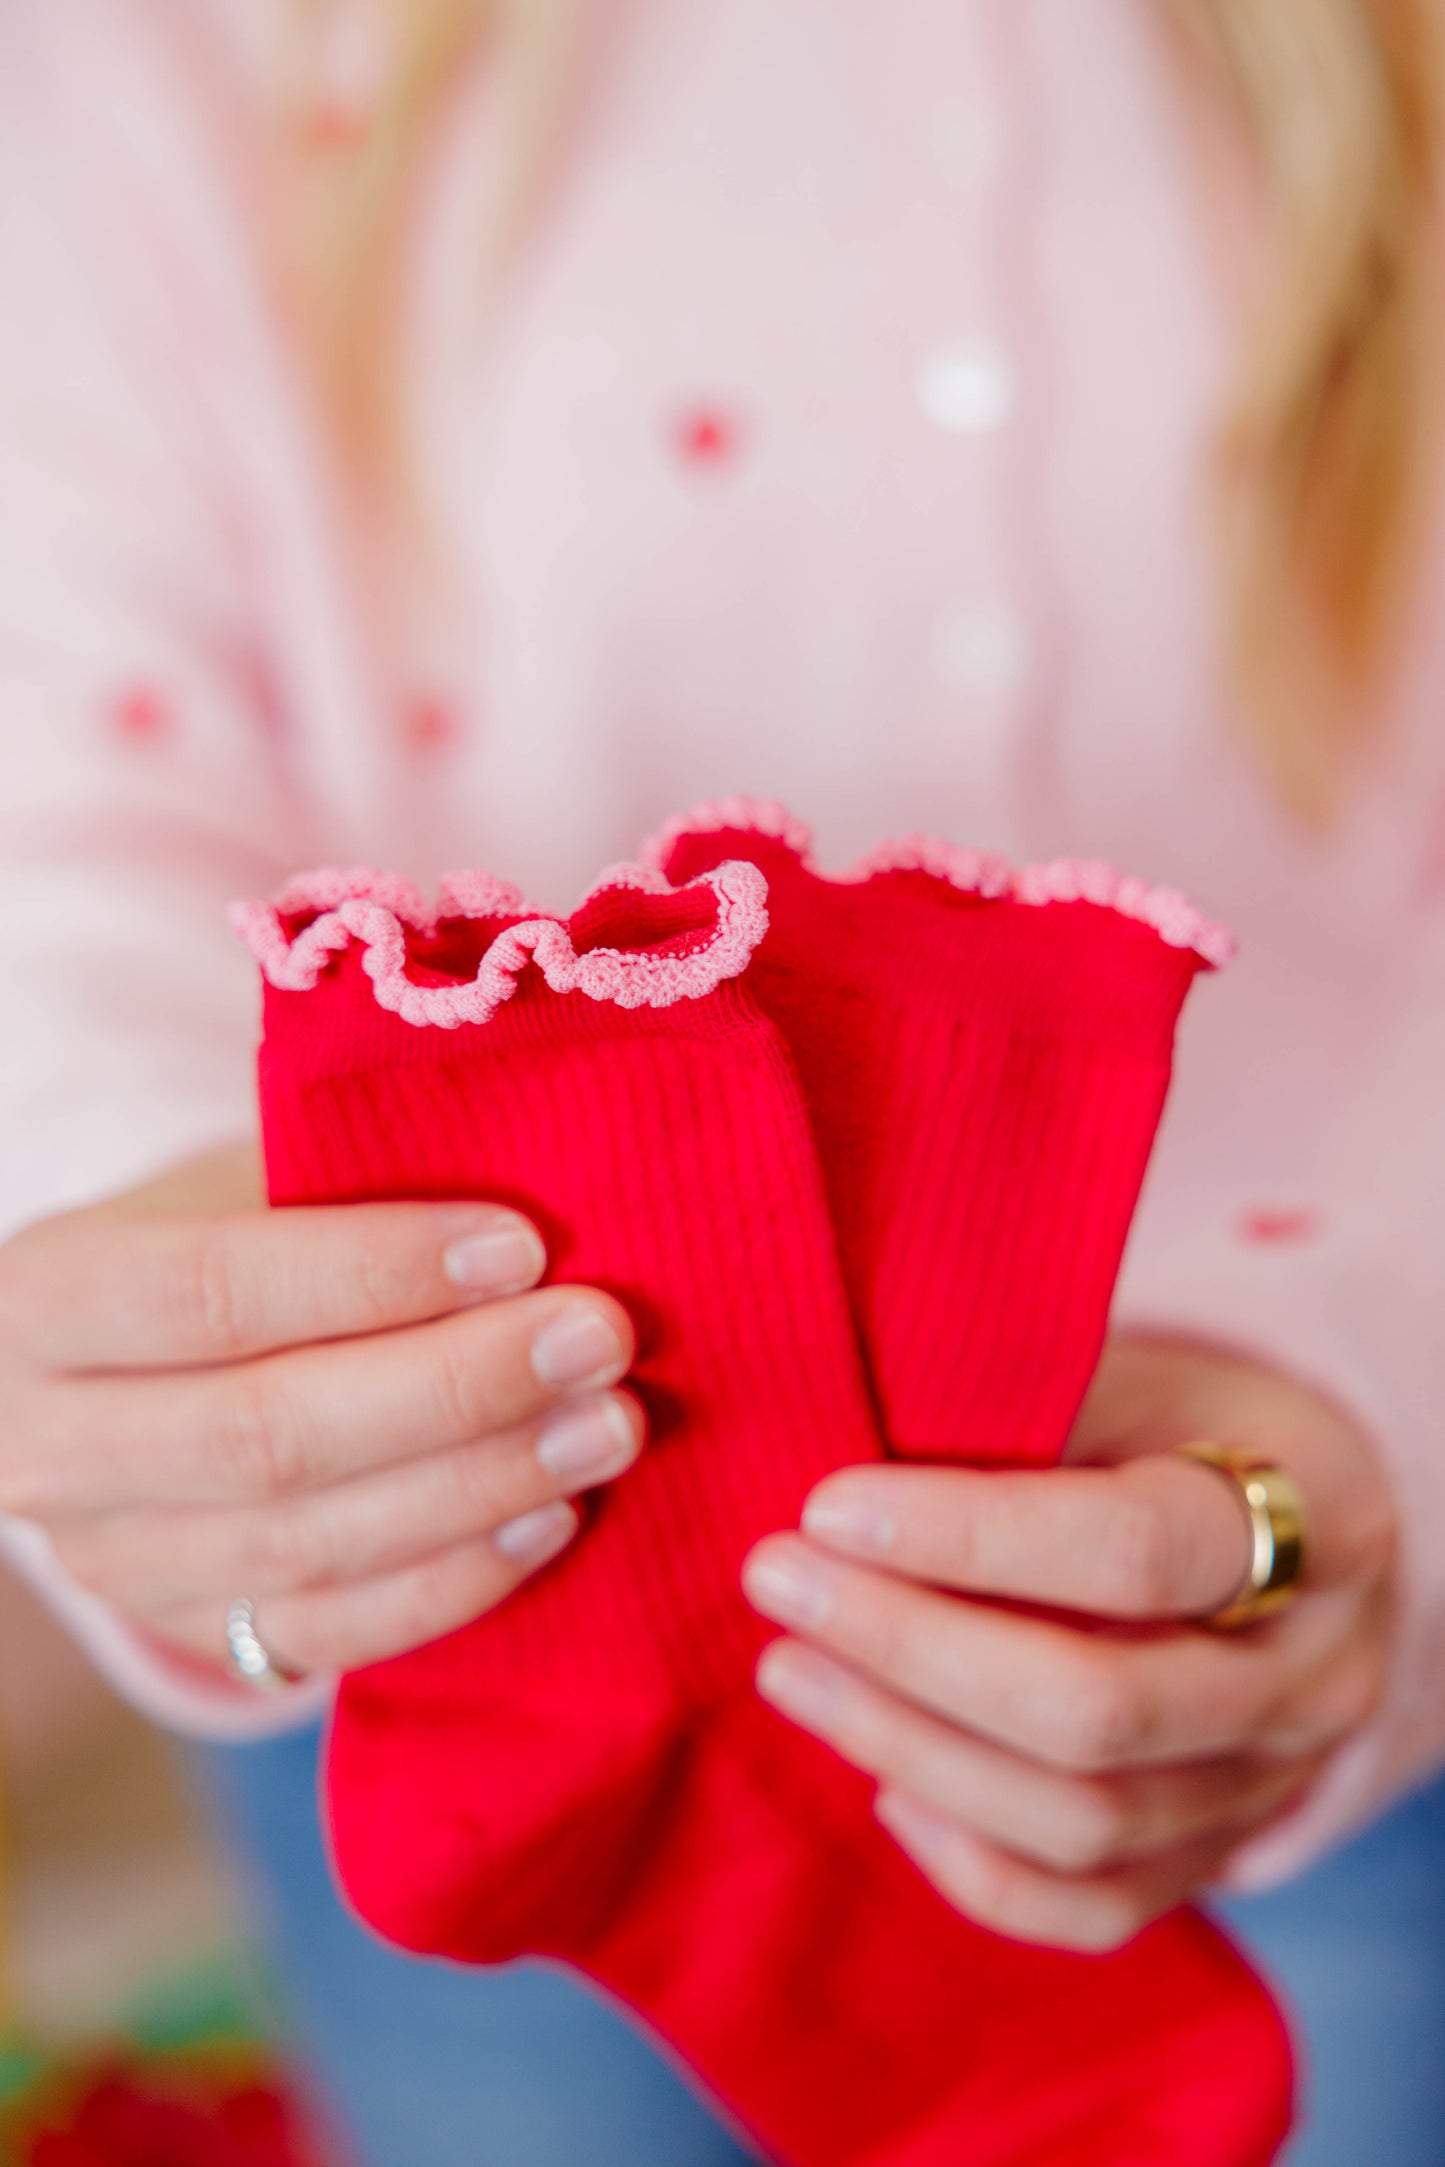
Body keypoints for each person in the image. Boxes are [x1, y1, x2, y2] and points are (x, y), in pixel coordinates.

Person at [0, 1, 1441, 2159]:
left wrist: (1378, 1421)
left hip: (1302, 1645)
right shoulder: (166, 59)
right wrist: (161, 1279)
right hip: (436, 1644)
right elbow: (59, 797)